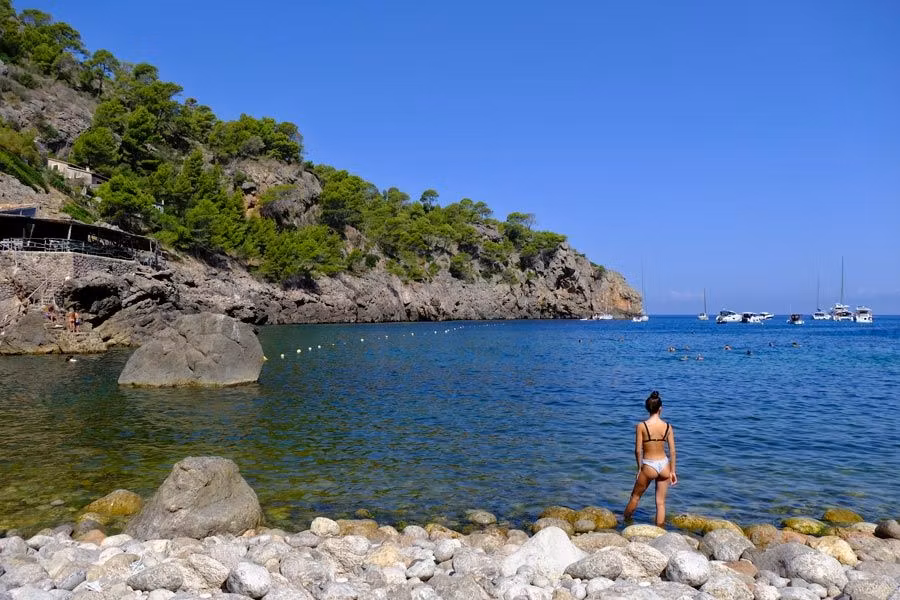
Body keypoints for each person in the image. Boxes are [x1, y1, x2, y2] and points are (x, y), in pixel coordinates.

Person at [624, 390, 677, 527]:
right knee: (660, 503)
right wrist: (673, 471)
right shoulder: (668, 427)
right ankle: (660, 531)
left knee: (635, 497)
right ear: (660, 409)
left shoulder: (642, 426)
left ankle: (625, 523)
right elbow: (672, 451)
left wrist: (639, 468)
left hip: (649, 465)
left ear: (647, 408)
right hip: (664, 465)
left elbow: (637, 450)